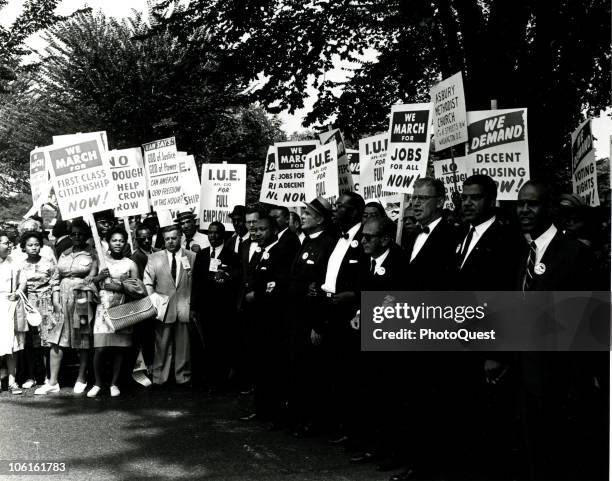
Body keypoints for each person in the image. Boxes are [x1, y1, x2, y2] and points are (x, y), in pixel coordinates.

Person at [514, 180, 604, 481]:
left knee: (563, 457)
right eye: (520, 203)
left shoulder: (574, 254)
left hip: (563, 379)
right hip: (528, 375)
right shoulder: (523, 253)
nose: (524, 210)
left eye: (533, 203)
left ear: (550, 208)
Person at [317, 192, 366, 443]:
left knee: (349, 372)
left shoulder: (365, 237)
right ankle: (336, 424)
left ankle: (351, 429)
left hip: (351, 314)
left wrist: (354, 296)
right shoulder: (337, 235)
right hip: (330, 310)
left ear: (355, 211)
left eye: (340, 206)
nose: (334, 210)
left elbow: (369, 279)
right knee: (333, 368)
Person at [286, 197, 338, 436]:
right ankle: (299, 417)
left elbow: (322, 286)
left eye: (308, 213)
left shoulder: (328, 244)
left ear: (320, 219)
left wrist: (318, 324)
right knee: (298, 369)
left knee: (312, 373)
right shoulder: (305, 242)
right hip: (297, 318)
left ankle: (313, 421)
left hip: (311, 321)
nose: (302, 216)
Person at [35, 219, 98, 395]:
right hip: (62, 298)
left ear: (86, 236)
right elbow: (55, 278)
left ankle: (81, 377)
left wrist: (87, 285)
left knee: (82, 339)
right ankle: (53, 381)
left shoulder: (93, 254)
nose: (76, 237)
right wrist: (56, 298)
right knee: (56, 338)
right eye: (73, 234)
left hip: (82, 298)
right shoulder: (65, 253)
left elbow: (94, 278)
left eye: (80, 234)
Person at [241, 215, 292, 426]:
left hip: (271, 319)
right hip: (258, 319)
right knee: (259, 367)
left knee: (272, 368)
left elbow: (276, 285)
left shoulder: (280, 251)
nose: (257, 233)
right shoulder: (263, 251)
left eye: (262, 229)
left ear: (273, 230)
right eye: (256, 229)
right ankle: (261, 409)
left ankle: (275, 414)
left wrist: (257, 294)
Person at [87, 227, 139, 398]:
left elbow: (138, 289)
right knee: (100, 348)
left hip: (123, 308)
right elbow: (89, 282)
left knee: (119, 349)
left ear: (125, 243)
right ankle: (97, 383)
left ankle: (114, 383)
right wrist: (99, 277)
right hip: (103, 308)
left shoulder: (130, 263)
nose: (118, 243)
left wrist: (120, 286)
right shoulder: (100, 261)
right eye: (114, 240)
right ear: (108, 242)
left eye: (121, 240)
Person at [143, 225, 196, 386]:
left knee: (184, 345)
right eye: (167, 239)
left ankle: (183, 377)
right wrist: (153, 301)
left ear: (180, 237)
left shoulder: (192, 256)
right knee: (161, 344)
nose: (170, 242)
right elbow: (147, 281)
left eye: (174, 238)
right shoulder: (154, 258)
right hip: (162, 308)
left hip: (184, 306)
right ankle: (160, 378)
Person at [190, 221, 240, 391]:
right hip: (205, 308)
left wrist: (227, 276)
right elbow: (195, 282)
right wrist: (194, 307)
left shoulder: (232, 255)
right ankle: (210, 379)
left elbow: (237, 278)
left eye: (216, 233)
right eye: (210, 232)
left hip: (223, 308)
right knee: (207, 344)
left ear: (222, 235)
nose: (212, 236)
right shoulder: (202, 255)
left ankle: (221, 380)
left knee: (222, 343)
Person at [456, 174, 523, 289]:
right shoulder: (457, 232)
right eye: (464, 197)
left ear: (491, 201)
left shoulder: (507, 240)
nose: (467, 203)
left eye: (475, 197)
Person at [16, 231, 59, 389]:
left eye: (36, 245)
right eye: (29, 245)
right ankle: (31, 376)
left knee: (46, 342)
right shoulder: (20, 265)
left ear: (40, 246)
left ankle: (49, 377)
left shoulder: (48, 262)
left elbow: (55, 283)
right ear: (24, 247)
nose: (33, 248)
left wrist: (55, 302)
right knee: (30, 342)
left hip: (46, 304)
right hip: (28, 305)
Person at [403, 177, 459, 289]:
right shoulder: (412, 235)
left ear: (439, 202)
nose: (416, 203)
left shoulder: (452, 235)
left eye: (422, 198)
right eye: (414, 198)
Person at [0, 231, 24, 394]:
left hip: (11, 304)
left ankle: (12, 381)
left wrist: (17, 292)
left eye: (9, 243)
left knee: (12, 344)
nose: (9, 245)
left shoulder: (14, 263)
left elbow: (23, 281)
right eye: (5, 243)